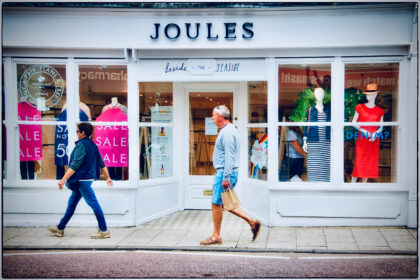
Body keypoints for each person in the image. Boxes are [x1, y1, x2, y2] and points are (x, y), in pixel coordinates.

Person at [200, 105, 261, 245]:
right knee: (224, 203)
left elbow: (229, 156)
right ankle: (252, 222)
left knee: (216, 203)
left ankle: (216, 236)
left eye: (213, 115)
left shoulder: (227, 132)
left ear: (221, 117)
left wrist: (226, 177)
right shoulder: (229, 130)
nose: (212, 118)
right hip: (226, 173)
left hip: (224, 174)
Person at [48, 122, 113, 239]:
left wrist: (63, 179)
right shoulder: (93, 145)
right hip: (82, 181)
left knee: (93, 204)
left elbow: (74, 165)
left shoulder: (81, 145)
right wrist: (108, 177)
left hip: (82, 180)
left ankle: (104, 230)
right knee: (71, 204)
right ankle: (60, 228)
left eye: (77, 131)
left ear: (83, 133)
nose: (76, 133)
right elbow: (102, 164)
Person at [351, 84, 384, 182]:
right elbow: (353, 123)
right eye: (367, 94)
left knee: (369, 165)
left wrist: (376, 133)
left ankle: (363, 186)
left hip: (373, 140)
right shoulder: (360, 107)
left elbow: (381, 127)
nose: (368, 96)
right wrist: (363, 130)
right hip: (362, 139)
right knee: (359, 163)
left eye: (371, 94)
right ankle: (352, 185)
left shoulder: (379, 111)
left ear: (375, 95)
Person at [303, 87, 331, 182]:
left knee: (325, 164)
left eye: (321, 94)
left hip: (326, 141)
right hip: (314, 140)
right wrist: (304, 141)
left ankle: (325, 184)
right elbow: (306, 125)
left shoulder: (328, 109)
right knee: (314, 165)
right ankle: (313, 184)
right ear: (314, 95)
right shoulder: (310, 110)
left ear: (324, 95)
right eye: (317, 94)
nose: (320, 96)